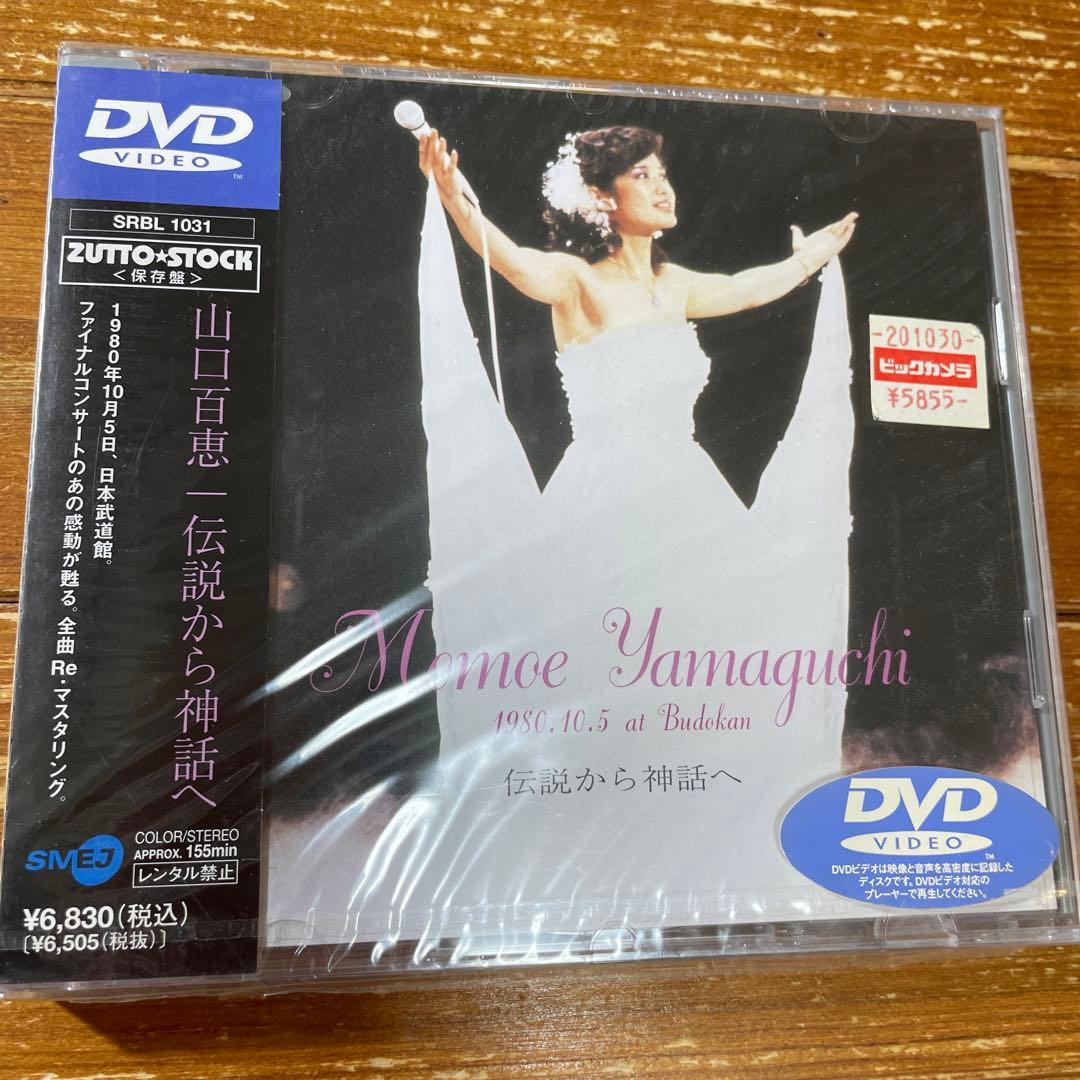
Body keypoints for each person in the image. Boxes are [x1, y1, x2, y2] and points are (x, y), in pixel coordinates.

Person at [322, 122, 860, 947]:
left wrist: (812, 255)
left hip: (689, 497)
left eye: (662, 170)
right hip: (605, 496)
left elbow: (751, 287)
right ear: (603, 198)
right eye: (643, 175)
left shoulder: (675, 285)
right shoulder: (576, 281)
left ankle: (703, 871)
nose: (663, 185)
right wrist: (452, 191)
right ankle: (587, 877)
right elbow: (506, 257)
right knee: (601, 674)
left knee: (710, 665)